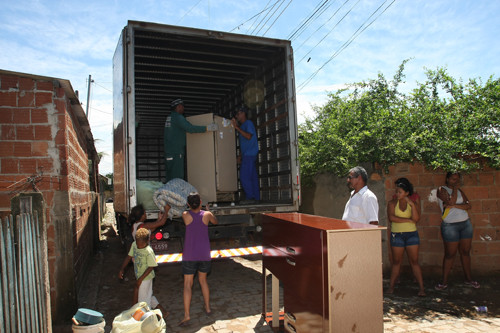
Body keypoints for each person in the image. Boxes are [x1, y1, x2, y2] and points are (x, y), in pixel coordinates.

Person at [179, 192, 218, 327]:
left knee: (187, 285)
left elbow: (186, 213)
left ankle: (187, 315)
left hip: (189, 255)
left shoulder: (185, 215)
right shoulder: (206, 215)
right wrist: (208, 211)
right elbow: (215, 221)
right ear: (200, 202)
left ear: (188, 204)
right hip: (204, 254)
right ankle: (207, 308)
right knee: (203, 281)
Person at [435, 172, 479, 290]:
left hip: (465, 224)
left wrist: (456, 206)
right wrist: (455, 191)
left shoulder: (460, 191)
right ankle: (444, 282)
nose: (456, 181)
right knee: (450, 254)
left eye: (457, 179)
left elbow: (468, 205)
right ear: (447, 179)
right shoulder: (441, 190)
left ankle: (468, 279)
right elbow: (451, 201)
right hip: (450, 226)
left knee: (465, 252)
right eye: (453, 179)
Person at [386, 178, 426, 296]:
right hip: (397, 235)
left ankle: (422, 289)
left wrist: (412, 205)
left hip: (411, 234)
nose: (397, 194)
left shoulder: (412, 203)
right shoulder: (392, 203)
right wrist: (408, 220)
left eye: (400, 192)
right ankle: (391, 287)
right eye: (396, 192)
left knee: (414, 261)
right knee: (396, 262)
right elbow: (392, 218)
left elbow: (416, 219)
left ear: (407, 193)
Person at [164, 98, 218, 182]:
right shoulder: (178, 117)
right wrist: (207, 128)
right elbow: (190, 128)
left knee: (170, 178)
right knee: (177, 179)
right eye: (182, 107)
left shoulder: (169, 117)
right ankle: (176, 195)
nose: (183, 109)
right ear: (178, 107)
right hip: (176, 153)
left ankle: (167, 194)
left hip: (169, 153)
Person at [118, 228, 168, 318]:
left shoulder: (148, 251)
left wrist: (140, 279)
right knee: (148, 295)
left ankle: (145, 319)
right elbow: (129, 257)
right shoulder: (134, 245)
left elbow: (151, 266)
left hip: (146, 278)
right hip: (139, 276)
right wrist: (122, 269)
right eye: (138, 244)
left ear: (147, 241)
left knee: (143, 301)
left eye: (141, 245)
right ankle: (163, 312)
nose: (139, 247)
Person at [230, 105, 260, 202]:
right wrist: (240, 156)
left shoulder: (248, 123)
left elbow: (248, 136)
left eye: (238, 114)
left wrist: (236, 128)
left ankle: (250, 197)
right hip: (247, 155)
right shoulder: (243, 126)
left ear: (243, 114)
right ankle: (256, 198)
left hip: (250, 155)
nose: (237, 116)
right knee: (252, 178)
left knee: (244, 177)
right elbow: (243, 144)